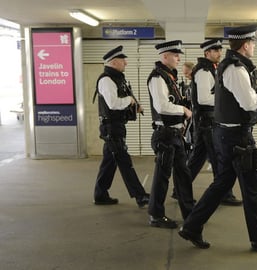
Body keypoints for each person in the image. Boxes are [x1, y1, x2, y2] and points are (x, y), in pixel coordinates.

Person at [178, 25, 257, 252]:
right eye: (253, 42)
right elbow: (248, 102)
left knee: (221, 184)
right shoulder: (236, 69)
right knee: (251, 190)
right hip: (237, 138)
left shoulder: (230, 66)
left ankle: (191, 226)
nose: (254, 46)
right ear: (245, 44)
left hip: (228, 135)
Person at [93, 45, 150, 208]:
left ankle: (100, 194)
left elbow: (125, 94)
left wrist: (136, 104)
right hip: (111, 128)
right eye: (123, 60)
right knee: (124, 162)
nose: (126, 63)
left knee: (109, 163)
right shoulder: (106, 80)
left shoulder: (117, 78)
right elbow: (113, 103)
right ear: (114, 62)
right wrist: (129, 101)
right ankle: (140, 196)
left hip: (116, 126)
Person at [187, 38, 242, 206]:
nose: (219, 53)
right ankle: (224, 193)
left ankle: (180, 189)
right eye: (215, 50)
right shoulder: (204, 71)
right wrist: (225, 99)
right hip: (208, 122)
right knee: (219, 159)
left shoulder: (211, 69)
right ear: (207, 53)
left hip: (208, 121)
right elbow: (204, 99)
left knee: (197, 159)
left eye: (220, 50)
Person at [147, 40, 195, 229]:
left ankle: (190, 212)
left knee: (183, 175)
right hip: (165, 135)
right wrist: (183, 110)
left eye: (178, 55)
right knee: (162, 177)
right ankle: (156, 215)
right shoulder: (158, 78)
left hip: (175, 135)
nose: (178, 58)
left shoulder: (169, 77)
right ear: (164, 56)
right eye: (175, 55)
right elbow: (162, 106)